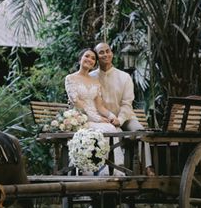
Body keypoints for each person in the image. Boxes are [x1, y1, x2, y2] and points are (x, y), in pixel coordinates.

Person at [90, 42, 155, 176]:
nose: (105, 54)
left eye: (107, 51)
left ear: (112, 53)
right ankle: (114, 169)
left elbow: (127, 104)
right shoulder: (91, 77)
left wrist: (120, 119)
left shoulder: (124, 77)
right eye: (101, 52)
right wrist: (107, 119)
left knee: (140, 131)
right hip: (103, 119)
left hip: (125, 117)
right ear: (96, 56)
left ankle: (148, 167)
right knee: (113, 132)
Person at [64, 48, 124, 176]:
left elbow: (100, 106)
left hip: (95, 116)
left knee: (114, 128)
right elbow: (76, 103)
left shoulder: (95, 81)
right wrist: (96, 119)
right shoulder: (70, 78)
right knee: (109, 129)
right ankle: (98, 170)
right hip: (81, 118)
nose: (90, 60)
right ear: (80, 58)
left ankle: (110, 168)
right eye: (87, 56)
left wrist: (112, 116)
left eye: (93, 58)